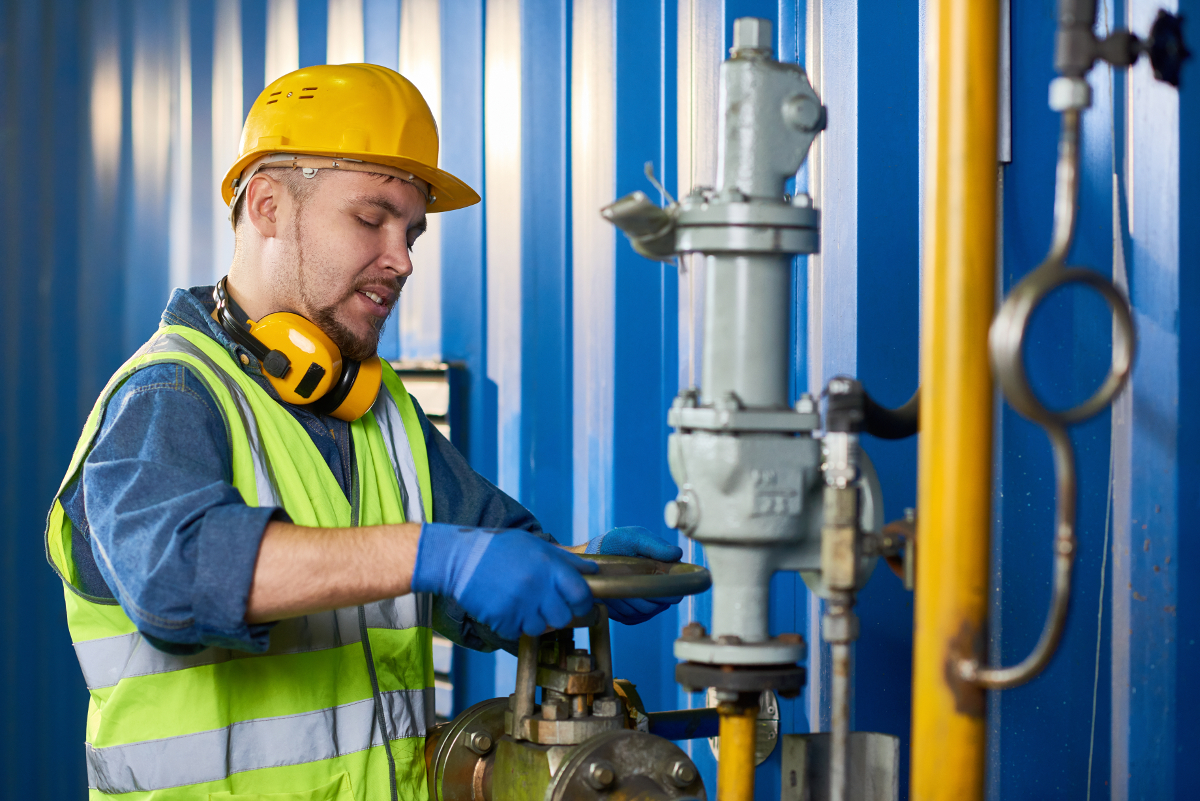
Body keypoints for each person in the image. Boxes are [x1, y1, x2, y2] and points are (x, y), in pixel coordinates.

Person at [46, 63, 681, 800]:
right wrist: (434, 554)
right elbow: (177, 573)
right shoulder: (169, 396)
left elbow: (487, 563)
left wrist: (583, 572)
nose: (403, 258)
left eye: (411, 230)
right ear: (268, 205)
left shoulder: (381, 413)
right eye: (370, 218)